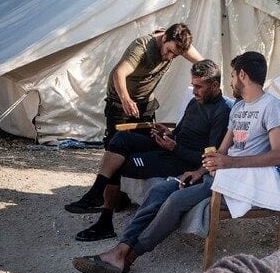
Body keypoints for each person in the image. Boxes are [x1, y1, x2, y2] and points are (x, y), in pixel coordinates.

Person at [73, 51, 280, 273]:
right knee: (159, 190)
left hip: (238, 180)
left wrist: (228, 162)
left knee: (174, 200)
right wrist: (200, 170)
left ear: (242, 75)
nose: (231, 81)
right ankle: (120, 250)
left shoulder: (270, 106)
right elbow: (220, 152)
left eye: (233, 75)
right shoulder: (239, 108)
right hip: (214, 174)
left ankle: (130, 255)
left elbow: (278, 154)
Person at [66, 60, 231, 241]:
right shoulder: (195, 103)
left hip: (181, 161)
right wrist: (167, 133)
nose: (194, 91)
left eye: (199, 87)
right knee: (121, 138)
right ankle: (96, 193)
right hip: (172, 149)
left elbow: (209, 157)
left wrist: (175, 147)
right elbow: (179, 132)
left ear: (215, 86)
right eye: (193, 85)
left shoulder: (221, 112)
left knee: (121, 165)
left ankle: (105, 222)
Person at [103, 23, 204, 144]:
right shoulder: (142, 47)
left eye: (175, 55)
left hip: (145, 101)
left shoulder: (178, 43)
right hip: (121, 100)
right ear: (165, 38)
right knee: (115, 145)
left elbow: (202, 62)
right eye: (169, 51)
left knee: (146, 143)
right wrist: (126, 99)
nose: (169, 57)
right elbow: (119, 73)